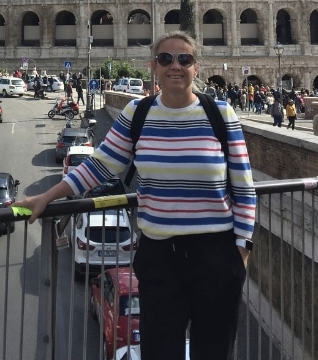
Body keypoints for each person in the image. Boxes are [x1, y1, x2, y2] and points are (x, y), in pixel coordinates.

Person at [16, 31, 256, 360]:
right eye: (166, 59)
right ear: (153, 67)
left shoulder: (221, 114)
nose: (175, 66)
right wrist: (50, 196)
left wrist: (242, 251)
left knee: (214, 351)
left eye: (184, 59)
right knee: (159, 350)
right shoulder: (137, 114)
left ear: (195, 68)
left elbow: (243, 187)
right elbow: (99, 167)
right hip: (160, 257)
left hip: (215, 254)